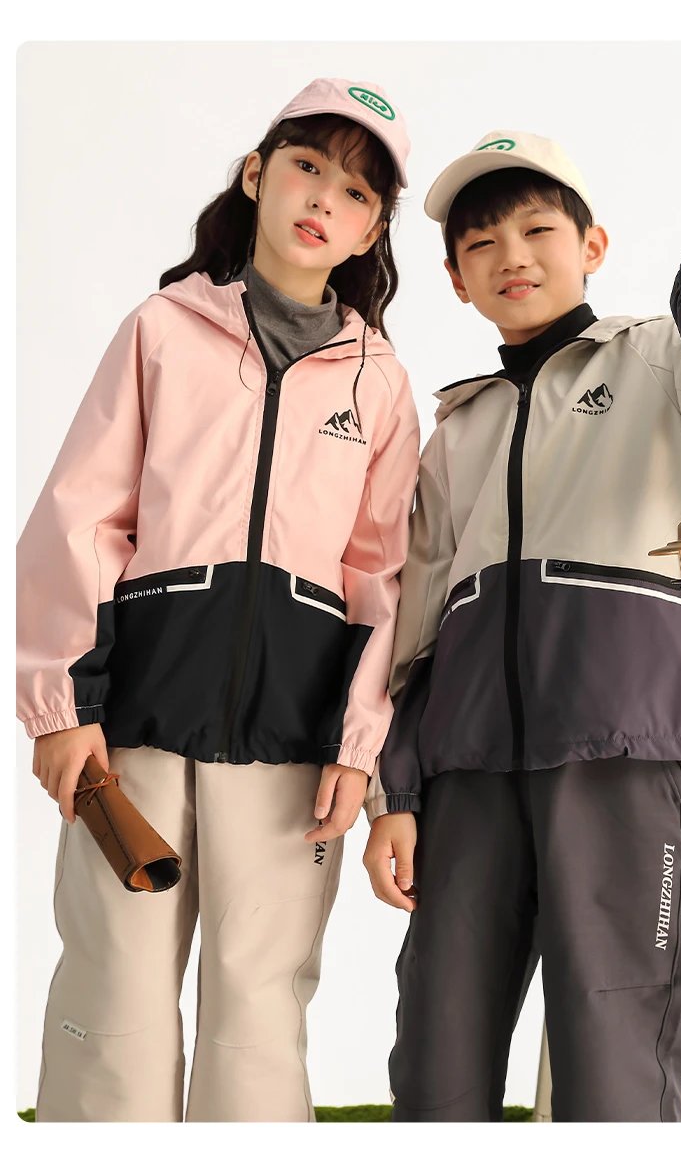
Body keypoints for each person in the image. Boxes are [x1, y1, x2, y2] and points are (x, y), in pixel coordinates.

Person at [17, 77, 420, 1122]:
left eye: (357, 191)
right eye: (305, 166)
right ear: (255, 174)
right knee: (114, 997)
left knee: (258, 1009)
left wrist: (358, 748)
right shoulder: (162, 328)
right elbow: (81, 515)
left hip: (293, 746)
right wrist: (63, 709)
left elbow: (382, 580)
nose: (323, 198)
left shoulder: (379, 381)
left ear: (374, 229)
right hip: (135, 729)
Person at [363, 130, 681, 1122]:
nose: (512, 255)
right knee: (436, 1060)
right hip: (464, 778)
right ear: (456, 281)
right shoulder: (455, 428)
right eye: (480, 243)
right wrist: (393, 794)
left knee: (612, 1054)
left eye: (537, 230)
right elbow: (411, 631)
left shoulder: (658, 360)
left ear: (591, 245)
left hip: (615, 758)